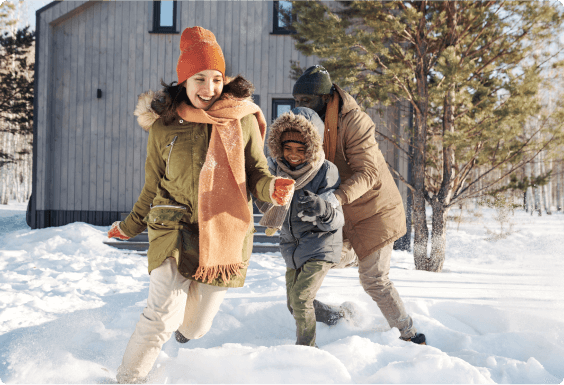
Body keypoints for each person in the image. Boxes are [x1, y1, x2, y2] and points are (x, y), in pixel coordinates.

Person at [107, 26, 295, 383]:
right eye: (199, 79)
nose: (209, 89)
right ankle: (128, 378)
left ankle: (183, 331)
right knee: (161, 314)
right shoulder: (164, 126)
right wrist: (130, 226)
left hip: (224, 230)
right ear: (184, 79)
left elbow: (255, 173)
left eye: (216, 78)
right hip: (172, 225)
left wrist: (273, 188)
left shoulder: (240, 118)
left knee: (195, 326)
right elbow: (152, 186)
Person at [292, 65, 426, 345]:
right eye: (297, 101)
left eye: (306, 101)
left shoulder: (354, 122)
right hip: (341, 214)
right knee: (309, 262)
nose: (300, 107)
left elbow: (368, 173)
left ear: (325, 98)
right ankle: (336, 319)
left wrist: (333, 199)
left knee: (374, 280)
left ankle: (410, 335)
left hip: (375, 210)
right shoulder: (310, 126)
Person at [256, 107, 344, 347]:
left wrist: (321, 207)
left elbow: (338, 218)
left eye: (301, 149)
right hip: (292, 245)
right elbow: (265, 204)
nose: (293, 155)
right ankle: (336, 317)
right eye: (288, 148)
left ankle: (307, 349)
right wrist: (266, 195)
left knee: (301, 298)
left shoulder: (325, 171)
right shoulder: (274, 169)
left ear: (312, 148)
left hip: (321, 244)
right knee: (292, 303)